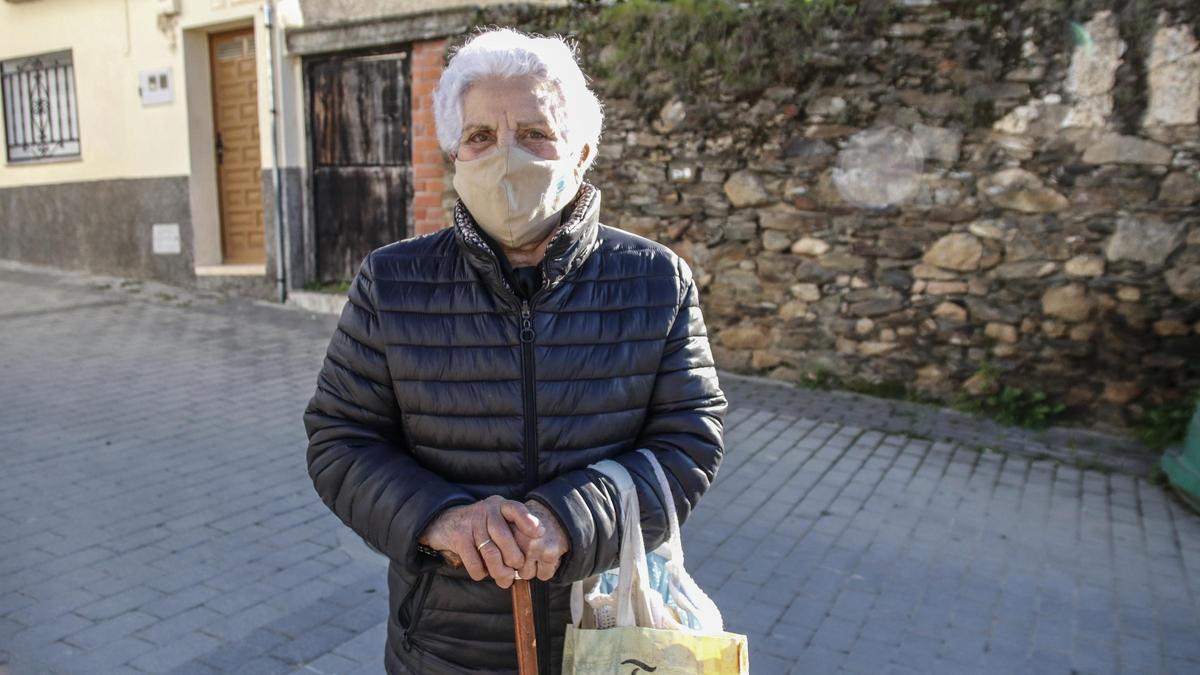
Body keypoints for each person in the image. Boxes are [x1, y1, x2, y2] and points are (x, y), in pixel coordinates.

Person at [302, 27, 727, 675]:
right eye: (480, 136)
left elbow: (688, 440)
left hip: (609, 634)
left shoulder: (654, 279)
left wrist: (569, 519)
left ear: (582, 150)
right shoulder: (391, 282)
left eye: (535, 132)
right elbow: (340, 439)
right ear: (454, 156)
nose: (506, 155)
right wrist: (439, 518)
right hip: (442, 648)